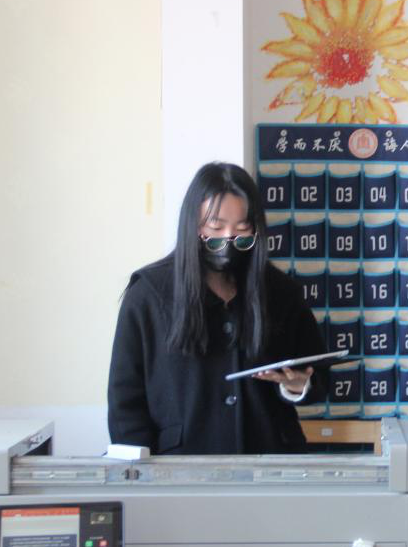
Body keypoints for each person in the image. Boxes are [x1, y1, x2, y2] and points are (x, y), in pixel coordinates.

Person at [108, 162, 327, 454]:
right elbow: (125, 399)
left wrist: (299, 386)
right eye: (216, 227)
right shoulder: (149, 294)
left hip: (270, 461)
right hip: (180, 465)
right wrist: (140, 471)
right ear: (193, 224)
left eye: (242, 228)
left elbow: (319, 374)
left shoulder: (281, 292)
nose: (229, 238)